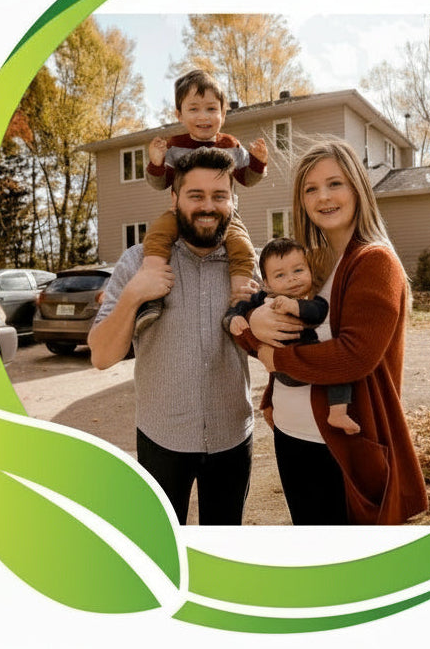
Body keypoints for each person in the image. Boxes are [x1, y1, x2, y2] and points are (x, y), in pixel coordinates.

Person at [235, 139, 428, 525]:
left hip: (340, 448)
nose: (323, 196)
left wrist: (272, 357)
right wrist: (253, 327)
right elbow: (280, 323)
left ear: (357, 187)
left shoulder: (373, 261)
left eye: (334, 184)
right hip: (293, 437)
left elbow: (353, 356)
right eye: (311, 188)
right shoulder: (314, 265)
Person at [88, 148, 254, 526]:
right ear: (174, 198)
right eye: (195, 195)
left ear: (233, 200)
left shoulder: (246, 267)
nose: (207, 206)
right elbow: (101, 356)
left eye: (219, 196)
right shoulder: (137, 262)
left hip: (233, 437)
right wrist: (134, 294)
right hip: (162, 438)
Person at [136, 69, 267, 335]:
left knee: (242, 247)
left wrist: (258, 161)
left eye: (211, 109)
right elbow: (159, 183)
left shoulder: (231, 145)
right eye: (193, 109)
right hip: (180, 212)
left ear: (223, 113)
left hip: (225, 216)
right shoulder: (174, 147)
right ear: (179, 115)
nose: (203, 117)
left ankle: (240, 302)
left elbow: (247, 178)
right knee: (157, 236)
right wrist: (157, 162)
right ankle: (151, 296)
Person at [224, 236, 360, 435]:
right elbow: (238, 308)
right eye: (280, 275)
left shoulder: (313, 298)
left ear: (309, 270)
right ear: (267, 284)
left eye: (298, 270)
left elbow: (318, 311)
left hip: (307, 363)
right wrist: (232, 320)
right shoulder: (261, 298)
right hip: (280, 371)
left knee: (337, 366)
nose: (292, 278)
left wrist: (295, 305)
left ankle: (338, 412)